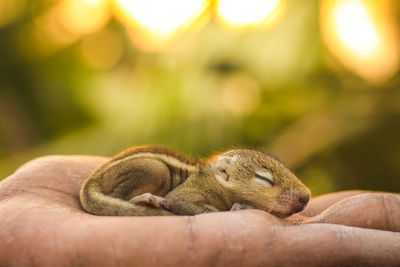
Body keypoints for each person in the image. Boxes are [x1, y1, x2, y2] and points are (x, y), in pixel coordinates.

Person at [0, 155, 399, 266]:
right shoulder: (204, 184)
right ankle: (127, 202)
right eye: (265, 182)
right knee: (153, 170)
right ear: (224, 174)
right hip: (126, 182)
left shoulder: (221, 190)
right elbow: (183, 203)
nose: (289, 196)